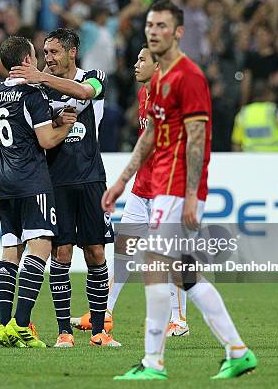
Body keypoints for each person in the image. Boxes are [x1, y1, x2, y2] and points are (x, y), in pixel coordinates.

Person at [103, 0, 257, 380]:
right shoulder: (157, 81)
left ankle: (154, 362)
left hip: (176, 189)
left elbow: (197, 138)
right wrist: (122, 180)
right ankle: (237, 352)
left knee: (159, 270)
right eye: (150, 25)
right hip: (162, 187)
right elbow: (150, 136)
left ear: (178, 32)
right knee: (184, 273)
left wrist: (191, 195)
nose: (153, 31)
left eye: (162, 25)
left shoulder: (188, 76)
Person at [9, 28, 119, 348]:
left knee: (96, 252)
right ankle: (63, 332)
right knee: (62, 253)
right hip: (54, 180)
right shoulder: (38, 88)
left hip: (91, 178)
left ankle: (99, 330)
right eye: (46, 52)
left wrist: (41, 79)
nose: (49, 59)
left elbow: (86, 93)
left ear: (73, 52)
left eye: (55, 52)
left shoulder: (93, 76)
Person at [72, 45, 190, 337]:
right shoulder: (143, 95)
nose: (135, 65)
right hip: (141, 188)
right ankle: (105, 312)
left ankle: (179, 321)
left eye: (142, 60)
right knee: (124, 253)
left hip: (166, 189)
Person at [0, 35, 77, 348]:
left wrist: (50, 119)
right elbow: (46, 141)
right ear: (27, 61)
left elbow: (21, 126)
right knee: (39, 248)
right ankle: (22, 324)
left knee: (10, 250)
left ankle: (3, 325)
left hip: (5, 181)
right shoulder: (32, 93)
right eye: (36, 54)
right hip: (32, 180)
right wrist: (65, 124)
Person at [232, 79, 278, 152]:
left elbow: (236, 144)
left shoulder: (243, 113)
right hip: (277, 159)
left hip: (250, 160)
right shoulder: (277, 112)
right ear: (268, 93)